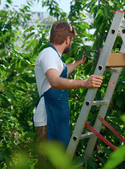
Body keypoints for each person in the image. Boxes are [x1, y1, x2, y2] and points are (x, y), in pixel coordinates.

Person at [33, 21, 103, 167]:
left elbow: (62, 70)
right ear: (67, 40)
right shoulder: (49, 54)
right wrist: (84, 83)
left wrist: (78, 62)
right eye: (72, 40)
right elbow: (55, 81)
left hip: (55, 118)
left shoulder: (54, 57)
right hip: (48, 120)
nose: (71, 43)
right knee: (47, 164)